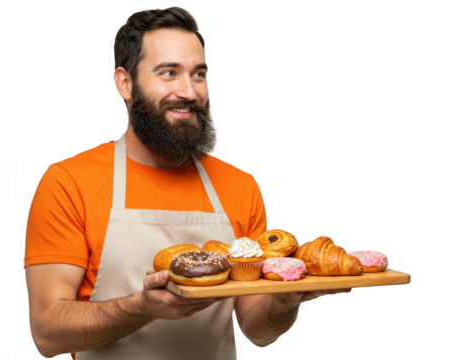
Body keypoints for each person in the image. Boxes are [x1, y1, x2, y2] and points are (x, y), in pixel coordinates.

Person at [23, 6, 351, 359]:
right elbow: (47, 333)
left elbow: (258, 330)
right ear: (124, 83)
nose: (189, 91)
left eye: (198, 74)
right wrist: (142, 307)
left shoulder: (240, 186)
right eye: (168, 73)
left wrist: (284, 301)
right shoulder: (69, 182)